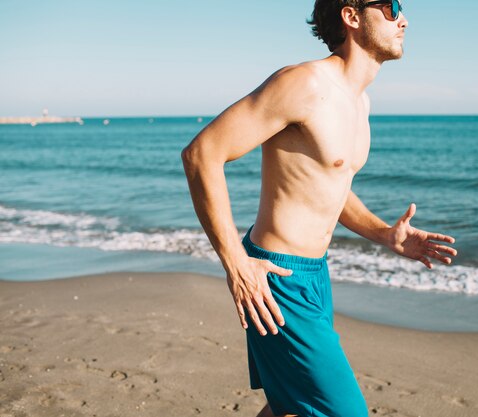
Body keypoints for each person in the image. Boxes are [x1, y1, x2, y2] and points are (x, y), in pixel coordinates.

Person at [181, 0, 457, 415]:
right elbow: (202, 154)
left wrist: (385, 234)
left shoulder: (360, 103)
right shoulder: (304, 84)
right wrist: (235, 263)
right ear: (351, 16)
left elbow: (329, 187)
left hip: (315, 275)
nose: (403, 18)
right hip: (276, 278)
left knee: (289, 405)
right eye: (390, 6)